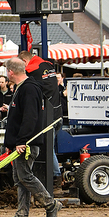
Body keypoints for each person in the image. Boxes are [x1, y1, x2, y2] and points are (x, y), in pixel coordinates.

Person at [0, 57, 61, 217]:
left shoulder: (29, 89)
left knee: (25, 176)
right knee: (20, 179)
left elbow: (30, 117)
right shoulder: (23, 88)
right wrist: (12, 142)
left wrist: (21, 141)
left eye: (7, 71)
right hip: (20, 143)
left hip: (26, 144)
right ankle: (21, 216)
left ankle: (50, 204)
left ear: (11, 72)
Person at [19, 51, 63, 187]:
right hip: (58, 113)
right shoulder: (48, 65)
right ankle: (55, 177)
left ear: (25, 62)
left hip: (48, 117)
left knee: (46, 149)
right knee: (49, 148)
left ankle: (56, 177)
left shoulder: (32, 70)